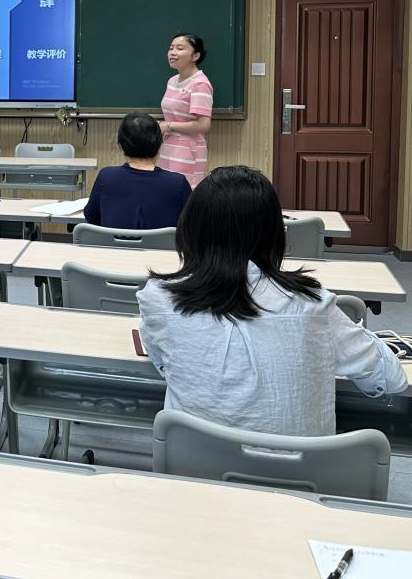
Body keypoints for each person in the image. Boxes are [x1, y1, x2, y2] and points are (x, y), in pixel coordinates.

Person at [137, 166, 406, 437]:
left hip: (192, 461)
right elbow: (391, 379)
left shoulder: (157, 299)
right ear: (275, 234)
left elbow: (163, 363)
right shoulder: (313, 306)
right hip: (303, 465)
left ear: (190, 229)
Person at [83, 113, 192, 230]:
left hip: (113, 242)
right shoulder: (177, 183)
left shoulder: (106, 177)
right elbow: (193, 225)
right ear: (159, 144)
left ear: (121, 145)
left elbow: (91, 217)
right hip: (164, 243)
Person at [159, 32, 213, 187]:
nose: (173, 53)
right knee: (167, 191)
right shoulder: (172, 81)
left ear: (195, 56)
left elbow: (203, 125)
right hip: (168, 147)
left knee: (183, 194)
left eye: (180, 48)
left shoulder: (200, 83)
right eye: (171, 48)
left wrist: (168, 125)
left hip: (188, 152)